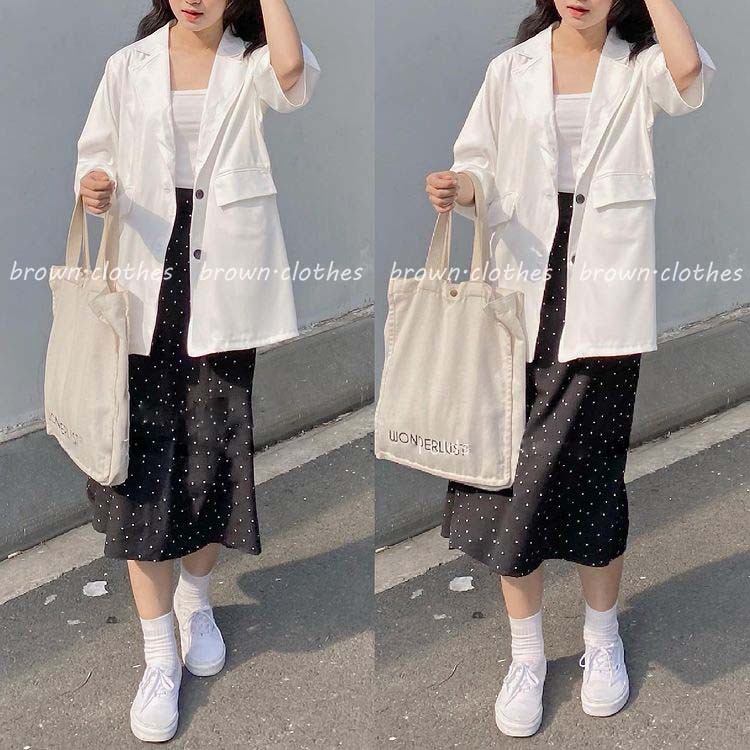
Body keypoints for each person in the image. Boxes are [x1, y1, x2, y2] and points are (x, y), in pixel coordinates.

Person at [425, 0, 714, 737]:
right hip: (517, 290)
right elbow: (478, 160)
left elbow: (688, 74)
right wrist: (460, 187)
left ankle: (601, 636)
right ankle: (526, 654)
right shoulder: (510, 69)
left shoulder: (639, 64)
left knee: (592, 471)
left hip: (602, 297)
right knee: (505, 475)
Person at [75, 0, 320, 741]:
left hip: (222, 281)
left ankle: (196, 598)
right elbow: (94, 154)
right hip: (142, 277)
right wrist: (93, 185)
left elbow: (292, 74)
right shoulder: (128, 66)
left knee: (214, 452)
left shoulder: (249, 63)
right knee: (141, 466)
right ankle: (158, 656)